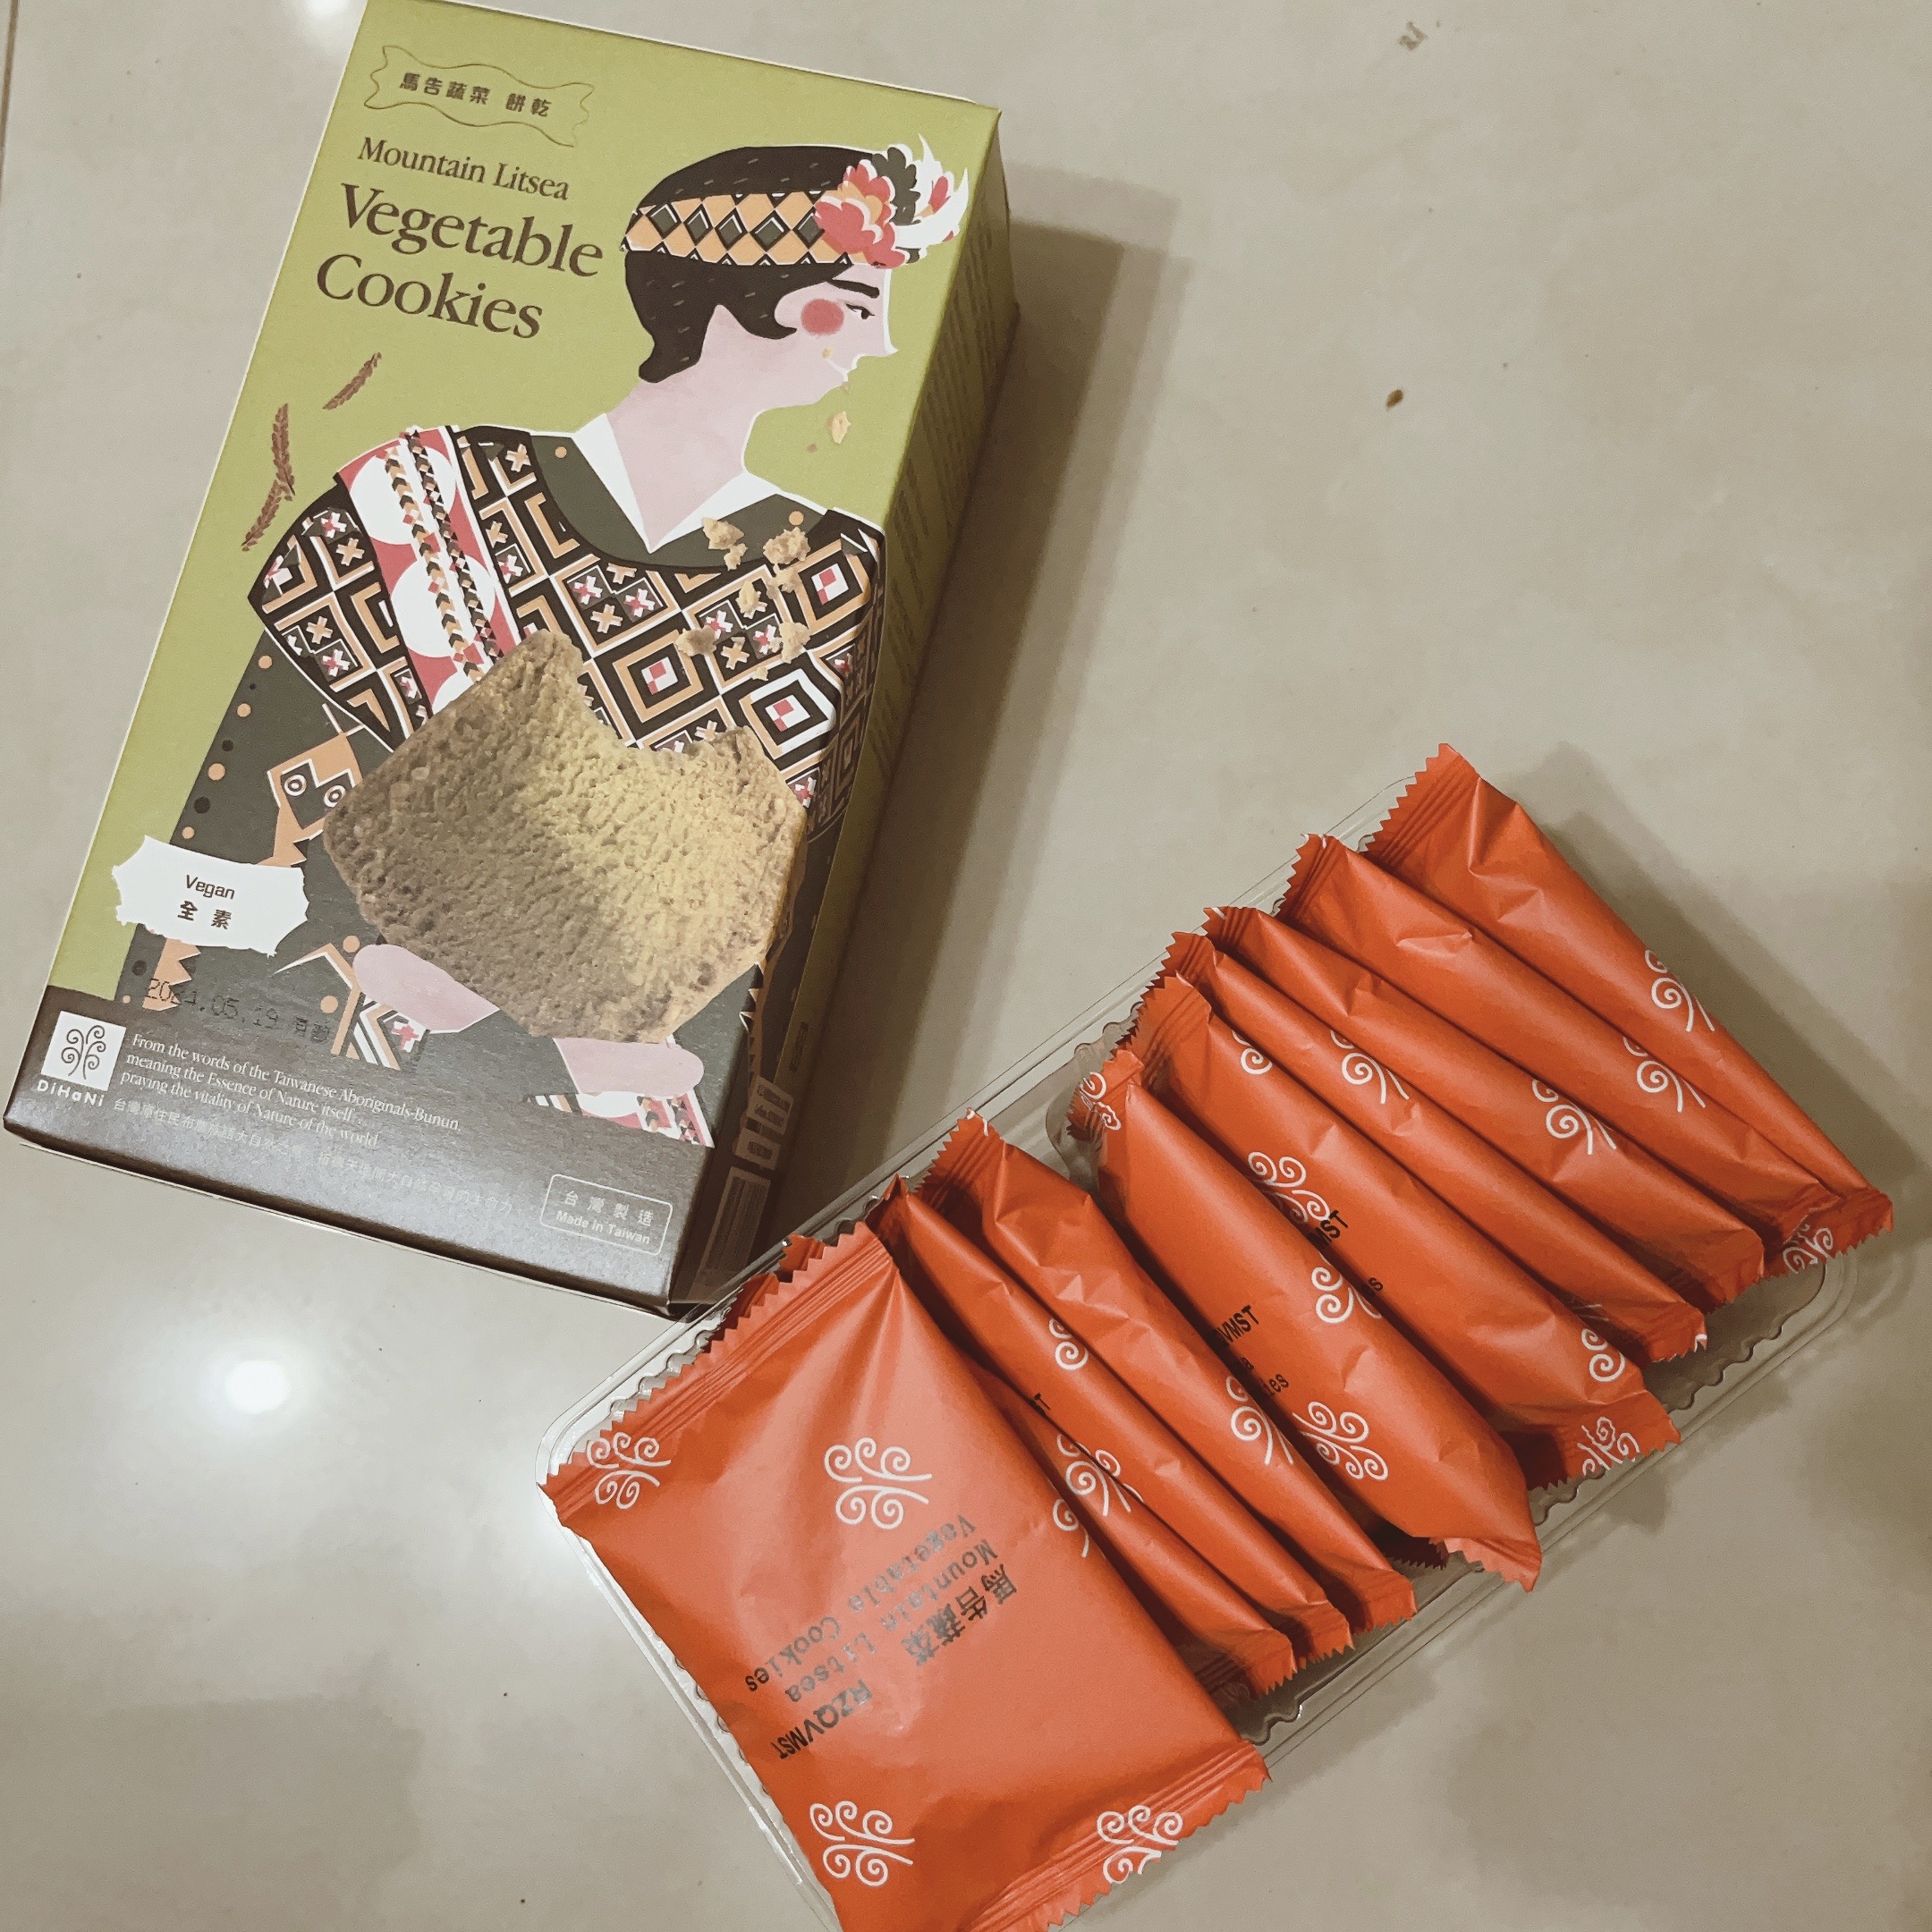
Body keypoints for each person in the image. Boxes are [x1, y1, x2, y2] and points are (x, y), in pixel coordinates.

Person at [122, 140, 967, 1150]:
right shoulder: (417, 496)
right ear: (743, 300)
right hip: (302, 1075)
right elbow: (243, 831)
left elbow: (780, 945)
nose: (881, 347)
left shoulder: (834, 575)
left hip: (608, 1143)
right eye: (857, 308)